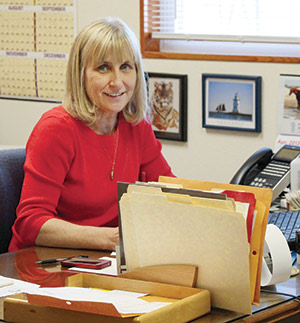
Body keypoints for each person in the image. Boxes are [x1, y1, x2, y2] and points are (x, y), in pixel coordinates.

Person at [9, 17, 174, 252]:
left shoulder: (136, 125)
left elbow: (168, 191)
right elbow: (31, 223)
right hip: (43, 263)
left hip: (106, 261)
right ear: (81, 74)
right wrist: (111, 239)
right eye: (103, 68)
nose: (117, 82)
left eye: (125, 66)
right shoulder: (55, 129)